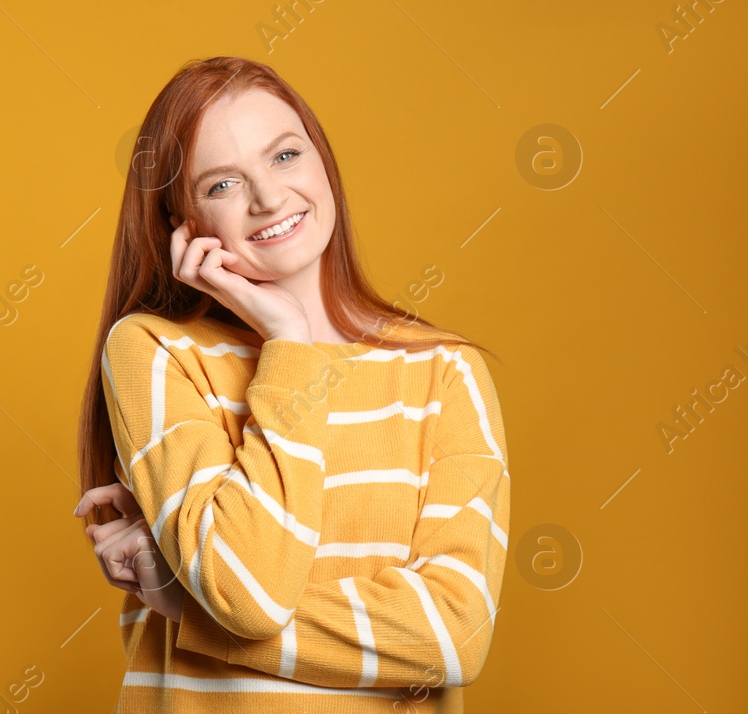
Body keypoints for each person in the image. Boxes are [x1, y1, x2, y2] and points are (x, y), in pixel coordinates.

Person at [72, 56, 508, 713]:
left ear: (322, 161)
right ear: (179, 222)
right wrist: (289, 342)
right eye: (221, 185)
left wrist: (189, 611)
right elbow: (246, 593)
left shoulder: (446, 372)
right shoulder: (153, 351)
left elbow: (453, 639)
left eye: (284, 156)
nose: (269, 199)